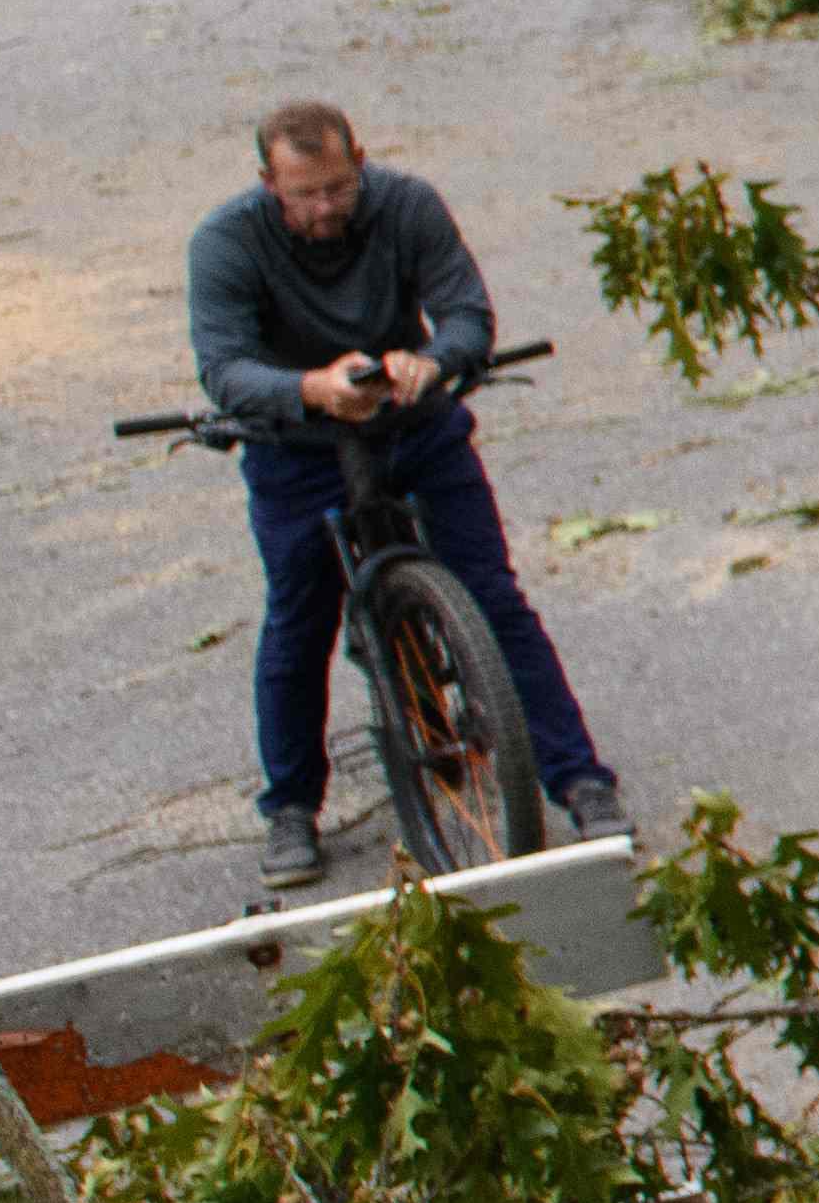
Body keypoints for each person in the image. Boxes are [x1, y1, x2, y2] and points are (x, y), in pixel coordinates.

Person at [185, 97, 613, 889]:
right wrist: (310, 387)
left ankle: (581, 781)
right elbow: (224, 367)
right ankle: (289, 807)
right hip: (295, 447)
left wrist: (432, 358)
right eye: (304, 193)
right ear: (267, 183)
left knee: (492, 597)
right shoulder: (225, 242)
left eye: (339, 188)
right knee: (298, 619)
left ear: (361, 162)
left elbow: (465, 312)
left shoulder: (407, 204)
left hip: (413, 426)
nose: (323, 208)